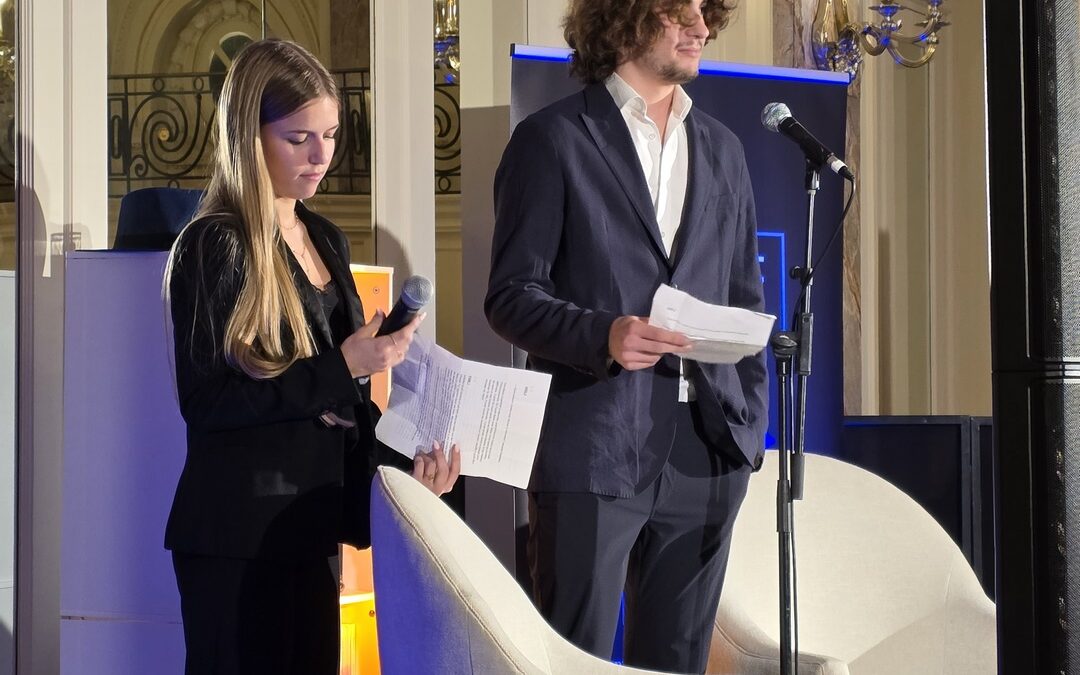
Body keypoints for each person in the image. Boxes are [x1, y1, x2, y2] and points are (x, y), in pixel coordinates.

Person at [484, 1, 767, 672]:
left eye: (705, 11)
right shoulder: (553, 139)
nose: (700, 28)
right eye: (678, 10)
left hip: (706, 453)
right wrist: (602, 335)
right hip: (594, 447)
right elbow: (511, 296)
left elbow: (744, 298)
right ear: (624, 18)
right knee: (570, 659)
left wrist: (747, 429)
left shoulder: (723, 149)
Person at [164, 38, 460, 675]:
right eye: (298, 138)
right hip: (238, 541)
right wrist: (344, 365)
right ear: (249, 136)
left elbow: (343, 409)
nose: (321, 156)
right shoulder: (214, 245)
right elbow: (209, 403)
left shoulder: (324, 236)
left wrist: (405, 477)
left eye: (329, 135)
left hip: (311, 528)